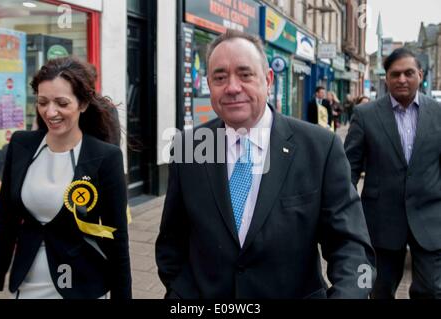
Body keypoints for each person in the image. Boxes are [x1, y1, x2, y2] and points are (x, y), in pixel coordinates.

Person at [155, 29, 375, 299]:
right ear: (209, 84)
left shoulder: (320, 148)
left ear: (268, 79)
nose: (233, 87)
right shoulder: (188, 148)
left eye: (245, 74)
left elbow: (353, 248)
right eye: (220, 77)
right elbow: (171, 244)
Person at [0, 56, 131, 299]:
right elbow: (5, 220)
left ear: (83, 104)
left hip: (82, 285)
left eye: (62, 103)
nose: (50, 112)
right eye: (43, 102)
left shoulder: (105, 157)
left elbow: (116, 236)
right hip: (28, 283)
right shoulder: (22, 145)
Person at [344, 48, 441, 299]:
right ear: (385, 78)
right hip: (380, 221)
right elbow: (349, 168)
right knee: (379, 290)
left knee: (432, 289)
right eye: (395, 74)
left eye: (409, 73)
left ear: (420, 74)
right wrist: (344, 212)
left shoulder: (438, 114)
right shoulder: (364, 115)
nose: (402, 79)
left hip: (431, 219)